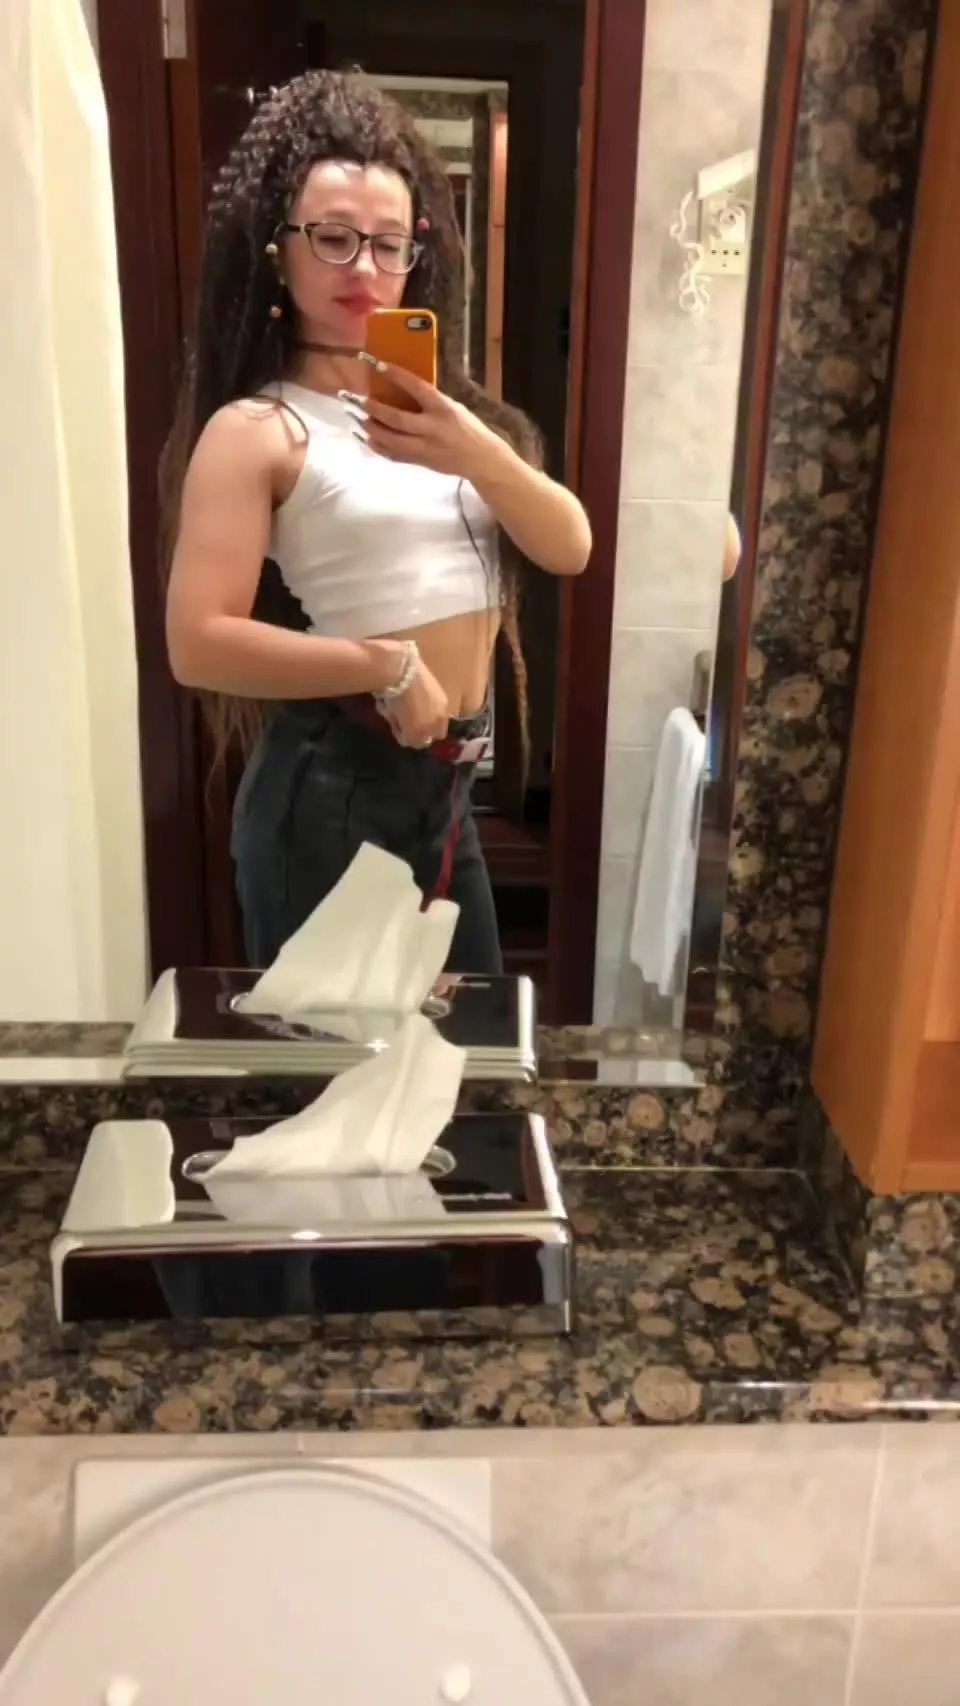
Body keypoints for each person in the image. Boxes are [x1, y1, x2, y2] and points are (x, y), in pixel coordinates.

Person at [162, 70, 591, 976]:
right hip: (335, 786)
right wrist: (383, 665)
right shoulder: (259, 429)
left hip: (445, 788)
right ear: (277, 250)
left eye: (389, 243)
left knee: (462, 1047)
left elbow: (570, 546)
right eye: (333, 238)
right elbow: (197, 643)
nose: (364, 267)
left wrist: (475, 448)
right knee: (336, 1058)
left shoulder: (452, 418)